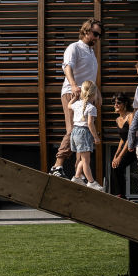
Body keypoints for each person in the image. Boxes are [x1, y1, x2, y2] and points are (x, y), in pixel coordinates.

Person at [49, 18, 103, 178]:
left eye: (99, 35)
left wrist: (97, 92)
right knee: (74, 130)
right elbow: (67, 66)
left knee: (84, 133)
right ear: (86, 30)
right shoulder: (75, 47)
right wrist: (73, 85)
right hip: (73, 94)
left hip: (87, 96)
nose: (97, 38)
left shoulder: (91, 52)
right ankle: (57, 166)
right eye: (95, 34)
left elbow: (90, 77)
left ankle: (77, 175)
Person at [69, 80, 104, 191]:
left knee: (83, 159)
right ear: (93, 95)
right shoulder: (91, 108)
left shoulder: (77, 104)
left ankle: (77, 177)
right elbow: (90, 124)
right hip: (83, 133)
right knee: (86, 161)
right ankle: (91, 182)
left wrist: (75, 97)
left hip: (75, 132)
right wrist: (96, 137)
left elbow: (69, 105)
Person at [109, 93, 136, 197]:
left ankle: (120, 195)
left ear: (125, 104)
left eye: (118, 103)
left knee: (118, 166)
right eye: (114, 103)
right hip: (125, 145)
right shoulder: (117, 119)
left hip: (133, 146)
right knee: (114, 166)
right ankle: (117, 194)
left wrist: (120, 157)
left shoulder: (130, 116)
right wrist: (116, 155)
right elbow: (122, 138)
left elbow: (130, 137)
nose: (115, 105)